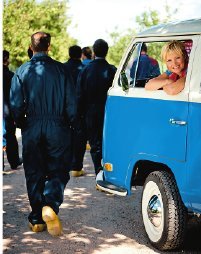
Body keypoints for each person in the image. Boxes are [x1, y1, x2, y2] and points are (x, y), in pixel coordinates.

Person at [10, 32, 76, 236]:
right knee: (58, 170)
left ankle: (37, 219)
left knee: (34, 172)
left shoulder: (21, 71)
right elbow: (72, 103)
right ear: (49, 46)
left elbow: (14, 105)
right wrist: (71, 125)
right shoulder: (62, 70)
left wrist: (23, 124)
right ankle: (50, 204)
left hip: (32, 124)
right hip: (58, 126)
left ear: (31, 47)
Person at [76, 39, 117, 176]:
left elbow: (79, 94)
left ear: (94, 52)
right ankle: (109, 172)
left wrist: (79, 114)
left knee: (95, 144)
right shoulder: (112, 70)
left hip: (90, 113)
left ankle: (99, 173)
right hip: (109, 113)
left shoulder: (85, 70)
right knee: (109, 143)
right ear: (107, 51)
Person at [64, 45, 86, 177]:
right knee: (80, 137)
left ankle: (65, 163)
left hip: (64, 107)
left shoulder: (62, 68)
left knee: (65, 135)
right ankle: (76, 166)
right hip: (80, 107)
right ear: (80, 55)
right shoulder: (85, 68)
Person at [3, 50, 22, 170]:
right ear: (6, 60)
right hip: (7, 111)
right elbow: (15, 96)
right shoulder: (10, 76)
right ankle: (14, 161)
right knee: (10, 135)